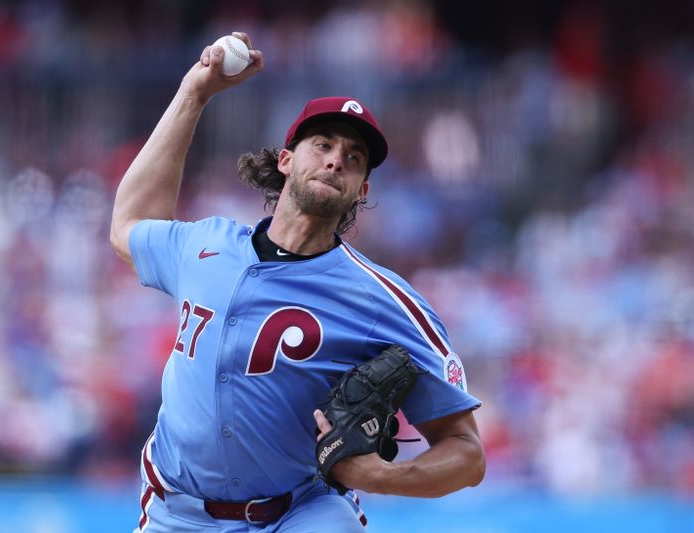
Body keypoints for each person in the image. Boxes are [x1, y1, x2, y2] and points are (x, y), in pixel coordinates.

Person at [110, 32, 485, 532]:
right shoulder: (207, 245)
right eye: (322, 145)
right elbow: (128, 224)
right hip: (177, 511)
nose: (336, 160)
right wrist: (193, 94)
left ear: (362, 189)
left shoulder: (382, 300)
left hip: (301, 512)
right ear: (286, 160)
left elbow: (466, 452)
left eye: (354, 157)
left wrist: (383, 475)